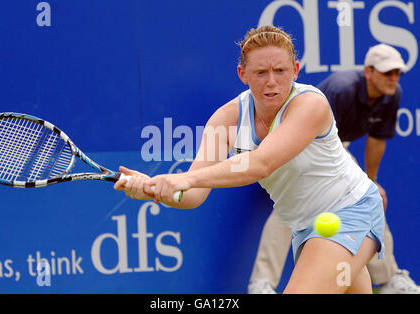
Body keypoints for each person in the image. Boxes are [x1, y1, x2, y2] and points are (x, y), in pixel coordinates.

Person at [114, 25, 386, 293]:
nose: (271, 81)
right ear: (242, 74)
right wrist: (152, 189)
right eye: (260, 72)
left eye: (280, 71)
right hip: (307, 227)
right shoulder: (226, 120)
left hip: (351, 211)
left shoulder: (310, 104)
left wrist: (183, 178)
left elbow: (260, 163)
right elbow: (194, 195)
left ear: (296, 69)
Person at [248, 43, 420, 294]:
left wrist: (371, 179)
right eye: (386, 73)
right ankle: (261, 284)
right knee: (292, 205)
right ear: (368, 72)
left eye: (397, 73)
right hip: (296, 139)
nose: (393, 79)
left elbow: (376, 140)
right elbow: (316, 138)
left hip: (333, 146)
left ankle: (388, 280)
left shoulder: (392, 94)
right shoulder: (342, 90)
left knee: (366, 196)